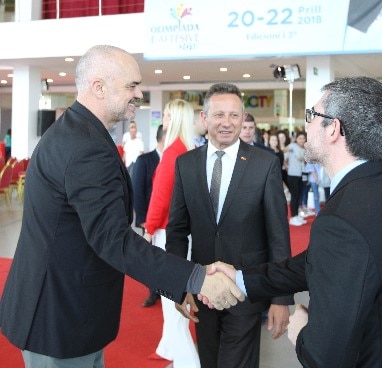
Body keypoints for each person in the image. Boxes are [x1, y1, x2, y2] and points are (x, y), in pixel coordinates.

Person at [0, 45, 243, 368]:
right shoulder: (85, 145)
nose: (139, 93)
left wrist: (179, 281)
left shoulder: (78, 133)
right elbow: (113, 239)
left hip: (62, 310)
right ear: (98, 87)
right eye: (131, 85)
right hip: (59, 317)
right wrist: (195, 278)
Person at [203, 76, 382, 367]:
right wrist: (241, 279)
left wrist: (301, 330)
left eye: (312, 115)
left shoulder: (343, 217)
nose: (306, 125)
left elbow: (324, 356)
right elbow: (322, 261)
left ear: (334, 128)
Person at [165, 83, 293, 368]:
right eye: (219, 114)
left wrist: (281, 299)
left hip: (247, 290)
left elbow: (278, 236)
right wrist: (178, 284)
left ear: (243, 118)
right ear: (204, 118)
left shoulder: (265, 164)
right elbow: (176, 231)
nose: (227, 123)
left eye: (234, 116)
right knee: (209, 361)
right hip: (201, 290)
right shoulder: (185, 164)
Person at [143, 99, 199, 367]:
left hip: (169, 232)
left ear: (174, 118)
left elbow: (160, 198)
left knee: (172, 301)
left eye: (166, 113)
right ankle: (168, 349)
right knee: (174, 297)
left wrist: (148, 229)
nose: (162, 117)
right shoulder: (190, 149)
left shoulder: (172, 152)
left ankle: (187, 361)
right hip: (185, 234)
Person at [132, 123, 165, 307]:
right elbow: (137, 191)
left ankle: (165, 289)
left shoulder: (175, 158)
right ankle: (153, 292)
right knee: (151, 258)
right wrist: (144, 220)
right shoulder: (144, 160)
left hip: (167, 221)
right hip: (150, 221)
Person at [286, 132, 308, 226]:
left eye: (303, 138)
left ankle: (297, 215)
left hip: (301, 175)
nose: (302, 140)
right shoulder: (292, 146)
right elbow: (283, 152)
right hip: (292, 174)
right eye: (300, 138)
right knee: (294, 196)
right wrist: (286, 164)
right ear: (296, 139)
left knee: (299, 195)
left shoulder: (304, 149)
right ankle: (293, 217)